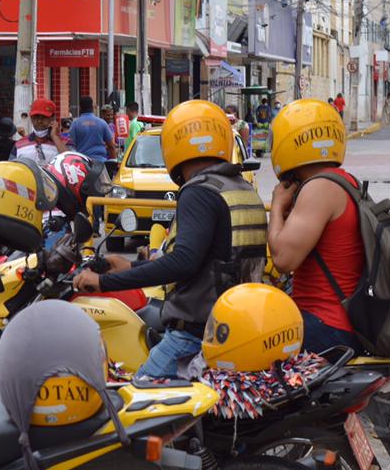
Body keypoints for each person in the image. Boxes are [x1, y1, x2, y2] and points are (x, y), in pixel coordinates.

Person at [72, 100, 267, 378]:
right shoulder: (240, 188)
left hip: (197, 331)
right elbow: (213, 258)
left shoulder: (199, 191)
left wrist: (103, 281)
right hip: (236, 322)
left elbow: (184, 262)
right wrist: (130, 267)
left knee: (139, 400)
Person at [266, 98, 367, 355]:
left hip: (324, 325)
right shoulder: (345, 181)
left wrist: (277, 206)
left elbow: (284, 259)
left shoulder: (318, 187)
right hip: (343, 321)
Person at [14, 98, 67, 164]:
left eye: (43, 117)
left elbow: (72, 163)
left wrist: (55, 137)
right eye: (36, 117)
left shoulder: (65, 142)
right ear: (31, 117)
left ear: (52, 118)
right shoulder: (19, 144)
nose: (39, 121)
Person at [68, 96, 116, 162]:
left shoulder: (75, 124)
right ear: (92, 107)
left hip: (82, 163)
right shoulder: (102, 123)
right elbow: (111, 146)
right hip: (100, 163)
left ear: (80, 108)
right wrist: (114, 162)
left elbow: (71, 145)